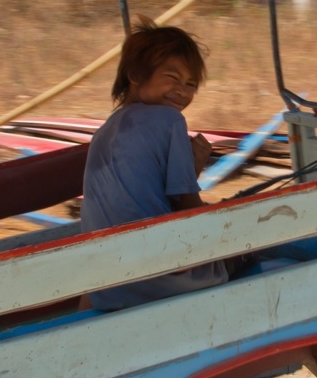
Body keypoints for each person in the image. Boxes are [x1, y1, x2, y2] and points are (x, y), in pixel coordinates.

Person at [80, 18, 230, 310]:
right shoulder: (170, 121)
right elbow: (187, 208)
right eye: (172, 78)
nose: (182, 92)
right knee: (242, 248)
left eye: (190, 85)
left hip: (107, 285)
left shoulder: (107, 128)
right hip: (158, 280)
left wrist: (188, 168)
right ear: (136, 74)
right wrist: (194, 167)